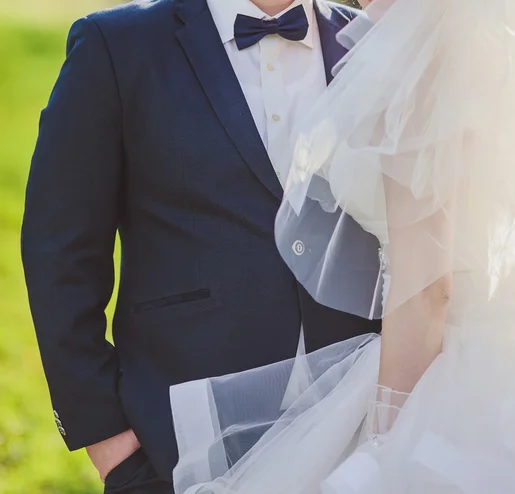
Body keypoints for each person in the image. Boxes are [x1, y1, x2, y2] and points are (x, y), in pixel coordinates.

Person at [169, 0, 515, 492]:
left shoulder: (420, 67)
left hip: (440, 371)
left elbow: (427, 287)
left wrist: (386, 441)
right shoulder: (496, 51)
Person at [20, 0, 381, 492]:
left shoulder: (373, 42)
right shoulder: (117, 46)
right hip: (180, 442)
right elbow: (58, 250)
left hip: (362, 432)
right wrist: (106, 438)